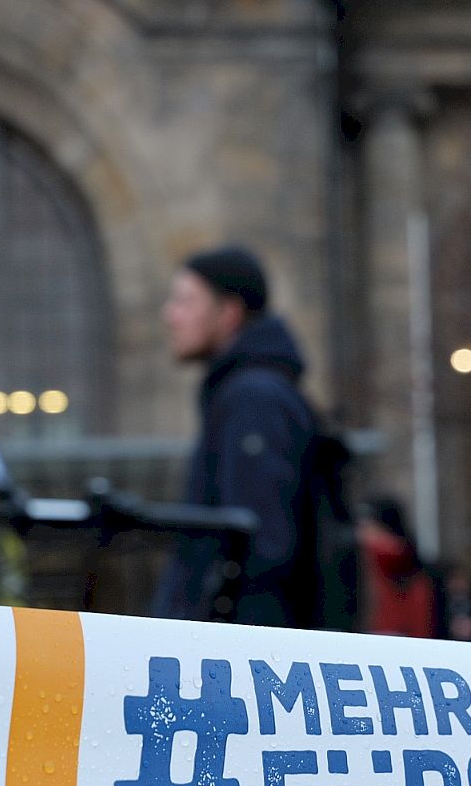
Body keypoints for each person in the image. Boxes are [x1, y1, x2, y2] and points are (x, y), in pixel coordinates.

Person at [150, 245, 323, 628]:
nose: (170, 315)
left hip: (237, 657)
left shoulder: (253, 398)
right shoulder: (248, 392)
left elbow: (260, 549)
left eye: (186, 301)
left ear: (229, 313)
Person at [359, 495, 444, 638]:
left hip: (397, 633)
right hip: (389, 631)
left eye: (368, 526)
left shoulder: (395, 552)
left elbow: (389, 550)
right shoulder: (393, 553)